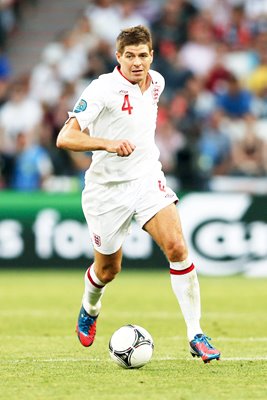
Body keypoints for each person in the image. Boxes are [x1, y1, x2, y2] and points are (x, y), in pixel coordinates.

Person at [56, 25, 220, 363]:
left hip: (146, 179)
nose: (136, 62)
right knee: (107, 271)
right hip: (106, 191)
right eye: (129, 56)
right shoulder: (102, 89)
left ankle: (196, 334)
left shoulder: (156, 83)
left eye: (142, 55)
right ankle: (90, 306)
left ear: (151, 56)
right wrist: (107, 143)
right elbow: (65, 138)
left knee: (177, 247)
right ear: (118, 57)